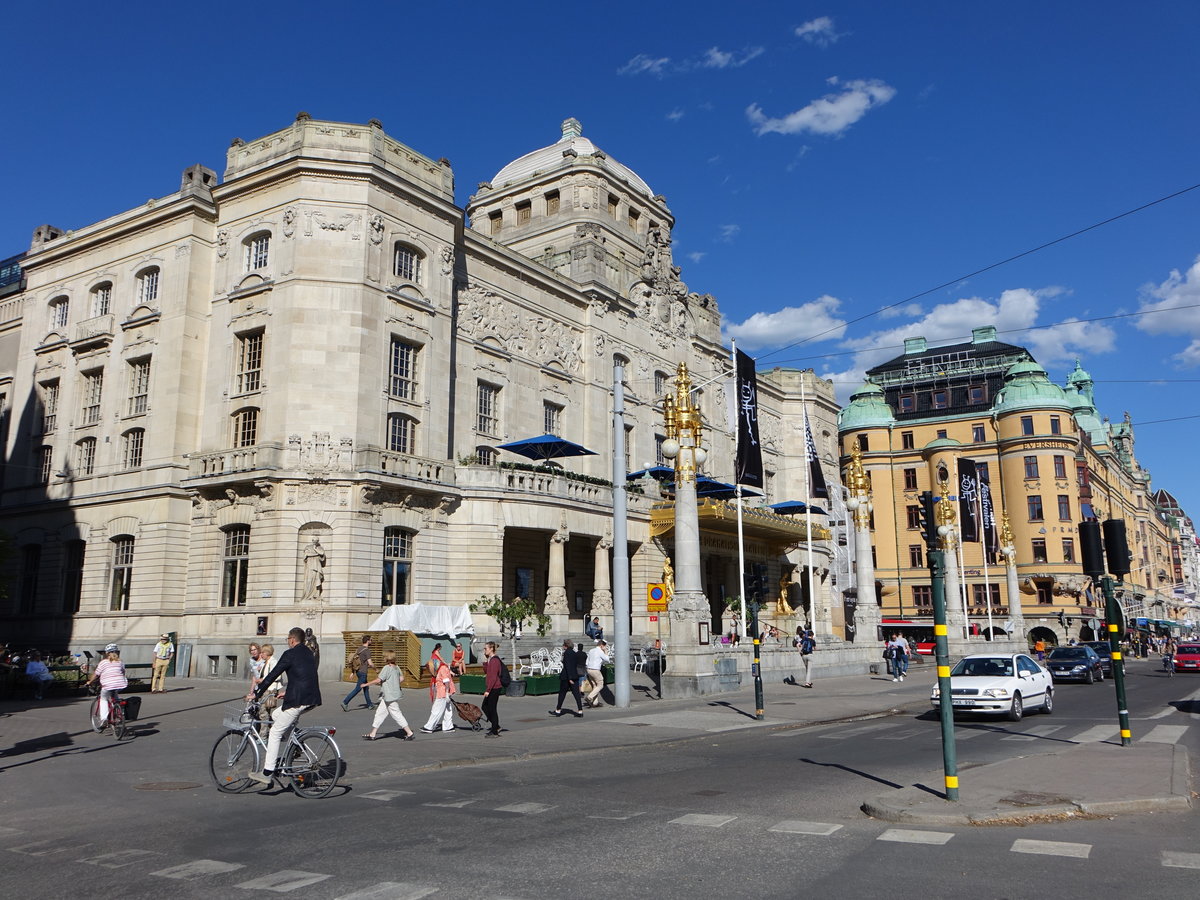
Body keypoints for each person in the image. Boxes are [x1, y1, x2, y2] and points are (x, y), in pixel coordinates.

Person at [247, 626, 322, 786]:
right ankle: (296, 744)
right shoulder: (308, 653)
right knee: (275, 715)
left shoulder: (290, 654)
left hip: (299, 700)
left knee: (274, 732)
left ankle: (267, 772)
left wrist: (256, 693)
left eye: (288, 639)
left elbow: (273, 674)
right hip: (311, 697)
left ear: (292, 640)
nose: (287, 642)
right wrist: (287, 693)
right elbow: (303, 676)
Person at [362, 651, 415, 741]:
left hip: (389, 696)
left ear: (387, 658)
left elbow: (378, 680)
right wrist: (394, 682)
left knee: (396, 714)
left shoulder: (387, 668)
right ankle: (373, 733)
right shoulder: (396, 667)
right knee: (380, 713)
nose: (383, 658)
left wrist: (366, 684)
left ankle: (409, 733)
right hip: (388, 696)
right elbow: (401, 678)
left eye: (384, 657)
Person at [87, 644, 128, 726]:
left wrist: (89, 682)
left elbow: (96, 674)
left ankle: (104, 719)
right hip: (121, 684)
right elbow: (123, 672)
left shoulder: (103, 662)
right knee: (115, 696)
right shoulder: (120, 662)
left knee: (103, 699)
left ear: (107, 653)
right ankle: (118, 710)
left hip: (108, 685)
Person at [421, 650, 456, 733]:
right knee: (448, 710)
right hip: (445, 692)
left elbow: (446, 682)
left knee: (436, 709)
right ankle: (448, 727)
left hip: (443, 692)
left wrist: (447, 694)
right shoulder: (442, 667)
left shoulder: (442, 669)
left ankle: (429, 727)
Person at [549, 638, 584, 718]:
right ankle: (580, 711)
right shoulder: (574, 653)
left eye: (563, 645)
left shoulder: (567, 653)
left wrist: (569, 678)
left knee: (562, 693)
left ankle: (558, 710)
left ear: (566, 646)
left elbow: (568, 666)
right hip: (575, 676)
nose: (562, 646)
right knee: (576, 694)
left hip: (567, 677)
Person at [341, 635, 375, 711]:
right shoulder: (367, 650)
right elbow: (370, 663)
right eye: (371, 640)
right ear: (368, 641)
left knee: (366, 687)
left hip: (358, 671)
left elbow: (354, 661)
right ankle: (345, 702)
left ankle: (370, 705)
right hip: (363, 672)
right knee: (358, 689)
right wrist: (375, 669)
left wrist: (353, 672)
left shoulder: (359, 649)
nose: (372, 641)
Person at [258, 643, 284, 735]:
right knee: (266, 712)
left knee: (264, 712)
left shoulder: (273, 662)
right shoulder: (266, 662)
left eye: (262, 652)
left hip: (270, 690)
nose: (261, 654)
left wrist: (263, 679)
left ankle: (264, 735)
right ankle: (271, 732)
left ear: (267, 653)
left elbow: (276, 676)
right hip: (265, 689)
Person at [481, 641, 503, 737]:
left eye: (486, 648)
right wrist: (486, 661)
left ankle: (495, 731)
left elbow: (493, 677)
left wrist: (488, 690)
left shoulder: (495, 661)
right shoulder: (490, 660)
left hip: (494, 688)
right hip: (492, 687)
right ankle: (496, 726)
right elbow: (487, 671)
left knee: (492, 708)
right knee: (485, 706)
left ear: (491, 649)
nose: (484, 650)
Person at [584, 639, 610, 708]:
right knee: (600, 684)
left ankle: (595, 703)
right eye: (605, 646)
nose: (605, 647)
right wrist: (606, 651)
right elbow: (607, 659)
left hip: (589, 669)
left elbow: (587, 662)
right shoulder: (600, 651)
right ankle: (589, 697)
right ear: (602, 645)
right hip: (595, 670)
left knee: (595, 685)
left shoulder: (591, 650)